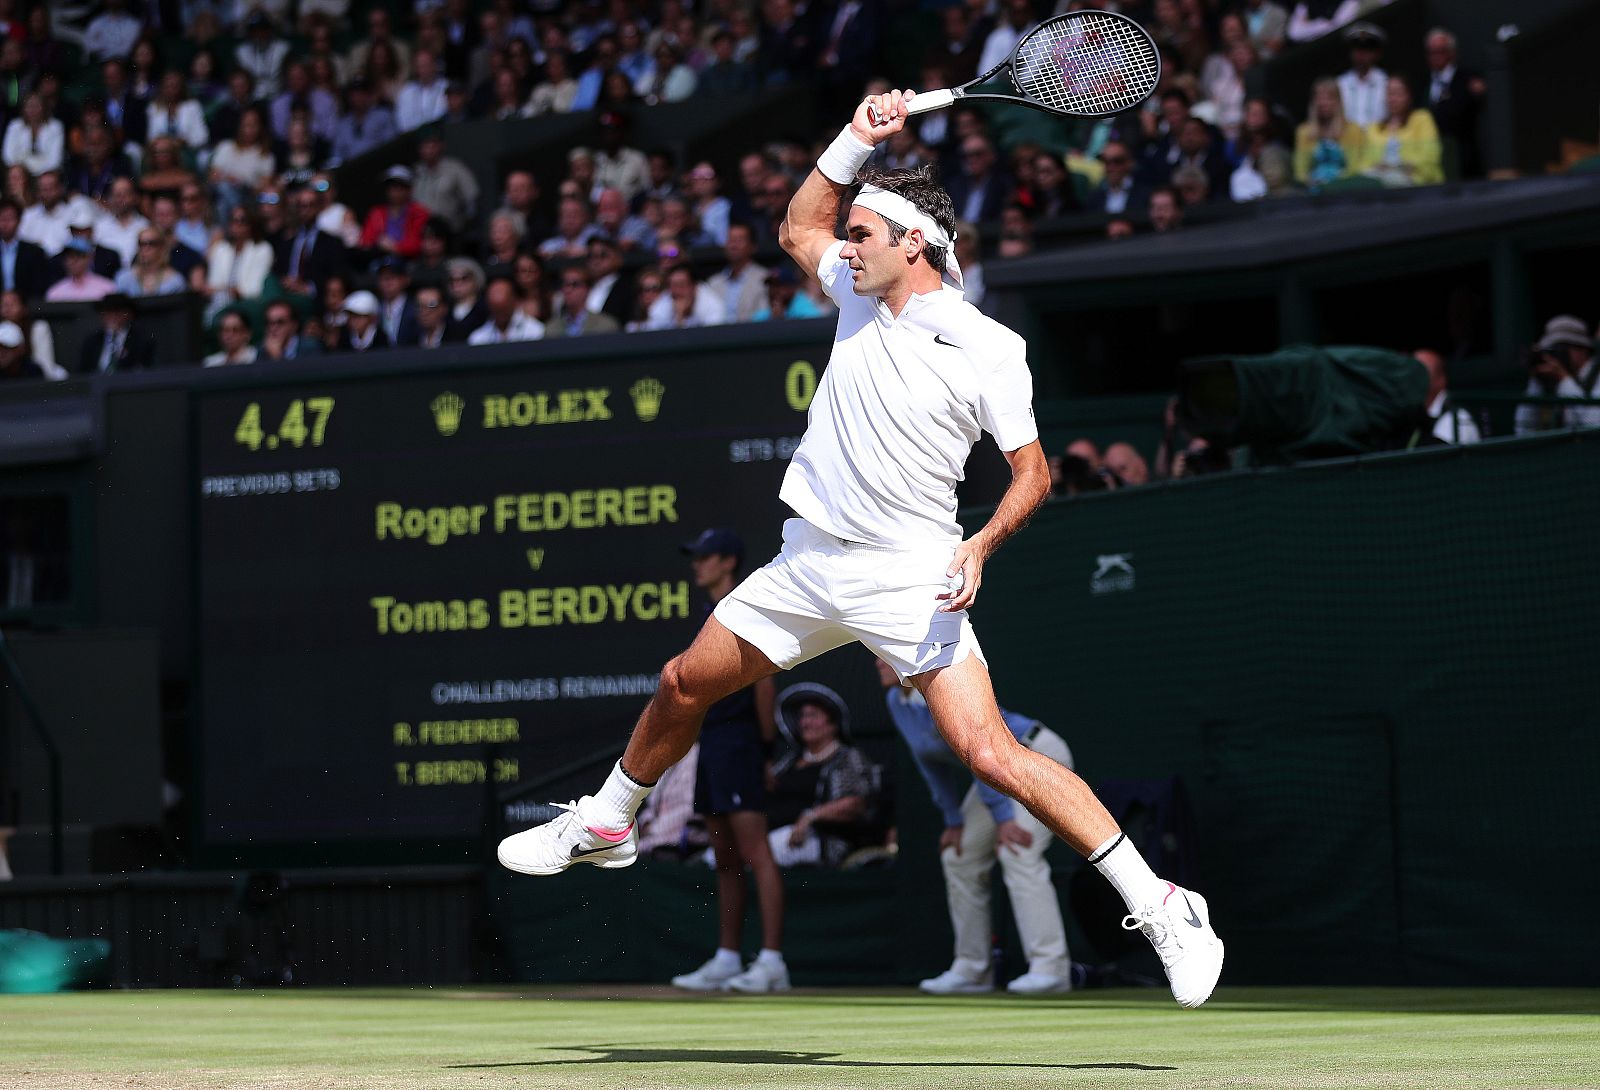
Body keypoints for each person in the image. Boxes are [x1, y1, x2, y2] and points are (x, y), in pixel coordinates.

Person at [496, 88, 1225, 1010]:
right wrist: (854, 137)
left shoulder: (988, 346)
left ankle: (1163, 905)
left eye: (865, 234)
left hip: (910, 571)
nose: (845, 246)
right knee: (684, 682)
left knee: (990, 753)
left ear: (912, 245)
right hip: (809, 562)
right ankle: (608, 820)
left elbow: (1032, 472)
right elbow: (800, 222)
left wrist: (983, 547)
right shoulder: (853, 286)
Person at [876, 656, 1078, 994]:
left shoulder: (944, 691)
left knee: (1017, 852)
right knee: (960, 856)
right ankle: (972, 969)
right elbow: (927, 763)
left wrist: (1003, 820)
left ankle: (1051, 968)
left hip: (1038, 756)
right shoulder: (897, 701)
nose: (878, 663)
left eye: (883, 656)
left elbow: (984, 751)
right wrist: (953, 819)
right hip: (995, 775)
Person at [666, 528, 788, 994]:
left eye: (706, 556)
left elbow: (763, 683)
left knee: (757, 853)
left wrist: (765, 751)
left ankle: (773, 961)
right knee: (725, 856)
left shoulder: (745, 602)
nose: (697, 564)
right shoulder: (709, 611)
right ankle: (728, 957)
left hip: (741, 743)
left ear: (728, 562)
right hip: (713, 743)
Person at [765, 683, 879, 870]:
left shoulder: (847, 757)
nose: (805, 722)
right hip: (773, 833)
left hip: (821, 841)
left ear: (833, 724)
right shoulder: (789, 761)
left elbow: (856, 803)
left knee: (751, 855)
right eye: (802, 716)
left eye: (813, 715)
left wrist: (809, 817)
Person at [1515, 315, 1600, 435]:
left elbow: (1593, 424)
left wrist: (1564, 379)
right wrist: (1536, 381)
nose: (1554, 357)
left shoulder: (1596, 375)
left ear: (1582, 349)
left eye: (1560, 349)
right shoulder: (1551, 381)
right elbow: (1522, 430)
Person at [1360, 77, 1442, 187]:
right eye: (1389, 93)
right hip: (1378, 181)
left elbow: (1429, 157)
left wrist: (1398, 166)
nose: (1393, 99)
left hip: (1417, 182)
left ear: (1409, 96)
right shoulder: (1374, 127)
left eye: (1398, 93)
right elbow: (1364, 164)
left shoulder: (1422, 118)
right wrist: (1378, 167)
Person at [80, 293, 156, 372]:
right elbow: (82, 372)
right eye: (108, 312)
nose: (113, 316)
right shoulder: (92, 341)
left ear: (129, 314)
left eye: (117, 312)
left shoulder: (141, 340)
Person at [545, 267, 619, 338]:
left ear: (588, 289)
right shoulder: (550, 329)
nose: (568, 289)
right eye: (565, 284)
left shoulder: (606, 325)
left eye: (575, 284)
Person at [45, 238, 116, 301]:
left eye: (79, 256)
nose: (74, 261)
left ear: (90, 258)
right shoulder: (55, 292)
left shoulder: (107, 289)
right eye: (70, 256)